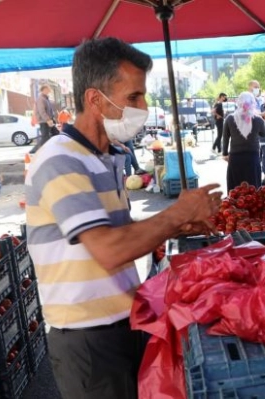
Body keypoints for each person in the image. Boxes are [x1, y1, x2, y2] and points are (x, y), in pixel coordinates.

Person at [24, 37, 222, 399]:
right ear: (95, 99)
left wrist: (176, 224)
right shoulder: (59, 160)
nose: (143, 107)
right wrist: (176, 212)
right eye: (133, 98)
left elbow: (119, 233)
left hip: (124, 320)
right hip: (88, 339)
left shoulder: (107, 155)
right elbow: (109, 249)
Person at [223, 92, 265, 190]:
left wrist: (225, 154)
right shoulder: (258, 119)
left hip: (235, 158)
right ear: (253, 103)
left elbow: (225, 137)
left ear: (238, 102)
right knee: (253, 186)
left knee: (235, 187)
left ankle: (235, 205)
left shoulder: (229, 119)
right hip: (252, 157)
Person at [30, 84, 56, 153]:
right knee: (45, 137)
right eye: (48, 89)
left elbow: (49, 110)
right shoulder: (41, 99)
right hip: (44, 121)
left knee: (55, 133)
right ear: (44, 90)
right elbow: (42, 111)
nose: (49, 90)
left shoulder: (46, 98)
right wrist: (48, 119)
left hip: (49, 120)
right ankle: (33, 151)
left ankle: (53, 150)